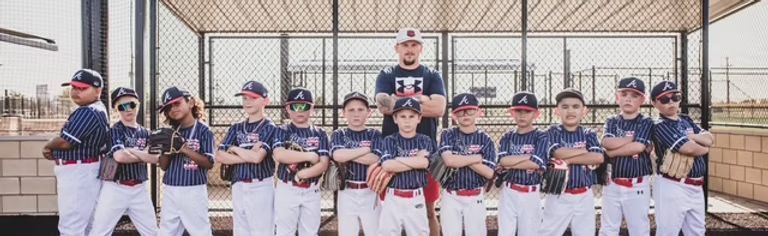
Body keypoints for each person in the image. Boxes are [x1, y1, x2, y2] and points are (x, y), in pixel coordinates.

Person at [374, 27, 447, 236]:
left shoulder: (431, 75)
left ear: (420, 49)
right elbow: (382, 105)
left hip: (426, 151)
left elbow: (439, 108)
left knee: (429, 211)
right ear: (397, 48)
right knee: (389, 210)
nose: (409, 49)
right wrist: (422, 100)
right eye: (405, 45)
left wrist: (398, 102)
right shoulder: (387, 74)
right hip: (393, 148)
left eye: (414, 45)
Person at [42, 69, 109, 236]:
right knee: (88, 226)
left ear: (98, 91)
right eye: (74, 87)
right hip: (85, 171)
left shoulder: (88, 112)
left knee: (71, 227)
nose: (76, 92)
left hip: (79, 174)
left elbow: (66, 142)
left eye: (82, 88)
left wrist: (48, 145)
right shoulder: (96, 109)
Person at [90, 87, 159, 236]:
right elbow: (120, 157)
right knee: (99, 232)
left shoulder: (146, 133)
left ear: (138, 105)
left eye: (132, 105)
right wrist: (142, 153)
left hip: (140, 189)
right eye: (122, 107)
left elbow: (156, 158)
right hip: (115, 188)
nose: (128, 110)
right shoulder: (115, 130)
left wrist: (131, 151)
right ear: (117, 110)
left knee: (152, 232)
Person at [216, 81, 279, 236]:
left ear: (265, 101)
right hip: (238, 185)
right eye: (244, 98)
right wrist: (248, 154)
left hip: (261, 185)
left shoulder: (269, 127)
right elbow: (219, 155)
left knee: (262, 232)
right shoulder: (236, 127)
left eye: (253, 97)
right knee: (241, 231)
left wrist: (235, 149)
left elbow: (258, 158)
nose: (247, 101)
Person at [540, 88, 604, 236]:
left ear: (584, 111)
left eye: (576, 106)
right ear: (557, 111)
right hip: (558, 194)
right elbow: (557, 152)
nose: (570, 111)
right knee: (548, 232)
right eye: (565, 107)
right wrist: (584, 151)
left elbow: (598, 157)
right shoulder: (551, 132)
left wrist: (566, 159)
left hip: (584, 194)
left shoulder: (589, 133)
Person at [651, 81, 712, 236]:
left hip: (696, 186)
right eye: (664, 99)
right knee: (667, 232)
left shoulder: (686, 120)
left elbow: (710, 138)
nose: (671, 102)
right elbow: (689, 148)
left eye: (675, 97)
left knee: (697, 232)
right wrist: (703, 146)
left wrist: (689, 136)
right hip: (672, 185)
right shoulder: (660, 125)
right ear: (654, 103)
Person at [156, 86, 215, 236]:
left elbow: (209, 162)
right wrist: (167, 149)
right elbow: (163, 166)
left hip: (193, 189)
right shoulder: (171, 132)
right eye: (168, 107)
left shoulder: (204, 131)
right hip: (170, 189)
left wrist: (183, 148)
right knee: (166, 232)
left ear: (191, 103)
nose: (173, 109)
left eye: (177, 103)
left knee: (200, 231)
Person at [271, 88, 330, 236]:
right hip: (287, 188)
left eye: (304, 106)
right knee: (285, 231)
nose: (299, 110)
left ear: (312, 109)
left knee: (310, 232)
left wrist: (303, 173)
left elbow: (323, 163)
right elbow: (280, 155)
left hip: (312, 189)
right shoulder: (282, 130)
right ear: (287, 109)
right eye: (295, 106)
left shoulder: (320, 133)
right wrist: (309, 156)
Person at [599, 78, 654, 236]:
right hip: (612, 184)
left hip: (637, 185)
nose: (628, 98)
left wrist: (611, 153)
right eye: (624, 94)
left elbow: (639, 147)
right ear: (618, 98)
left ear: (642, 100)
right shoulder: (612, 121)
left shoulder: (645, 121)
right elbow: (606, 141)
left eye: (634, 95)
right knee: (608, 229)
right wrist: (629, 140)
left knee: (639, 229)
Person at [437, 93, 496, 236]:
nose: (465, 115)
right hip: (451, 195)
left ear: (478, 112)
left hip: (475, 195)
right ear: (454, 115)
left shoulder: (485, 139)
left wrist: (460, 157)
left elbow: (489, 173)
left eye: (470, 110)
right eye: (460, 112)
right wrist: (476, 157)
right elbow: (449, 161)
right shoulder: (448, 134)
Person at [377, 97, 436, 236]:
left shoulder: (424, 140)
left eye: (411, 116)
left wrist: (397, 159)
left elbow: (425, 163)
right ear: (395, 118)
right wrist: (415, 160)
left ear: (419, 118)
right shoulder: (390, 140)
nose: (407, 120)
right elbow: (387, 165)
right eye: (402, 116)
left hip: (416, 197)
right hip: (393, 198)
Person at [331, 92, 383, 236]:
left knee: (375, 231)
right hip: (346, 191)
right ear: (344, 113)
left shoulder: (374, 134)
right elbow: (338, 155)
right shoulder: (339, 133)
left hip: (371, 190)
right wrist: (366, 149)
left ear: (369, 113)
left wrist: (349, 153)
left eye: (360, 109)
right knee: (347, 232)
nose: (356, 114)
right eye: (351, 110)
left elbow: (375, 159)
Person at [496, 91, 548, 236]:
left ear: (537, 114)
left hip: (531, 194)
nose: (522, 115)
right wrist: (529, 157)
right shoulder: (507, 137)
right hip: (509, 192)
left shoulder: (541, 136)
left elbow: (537, 164)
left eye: (527, 111)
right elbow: (503, 161)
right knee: (505, 232)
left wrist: (512, 161)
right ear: (512, 113)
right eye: (518, 111)